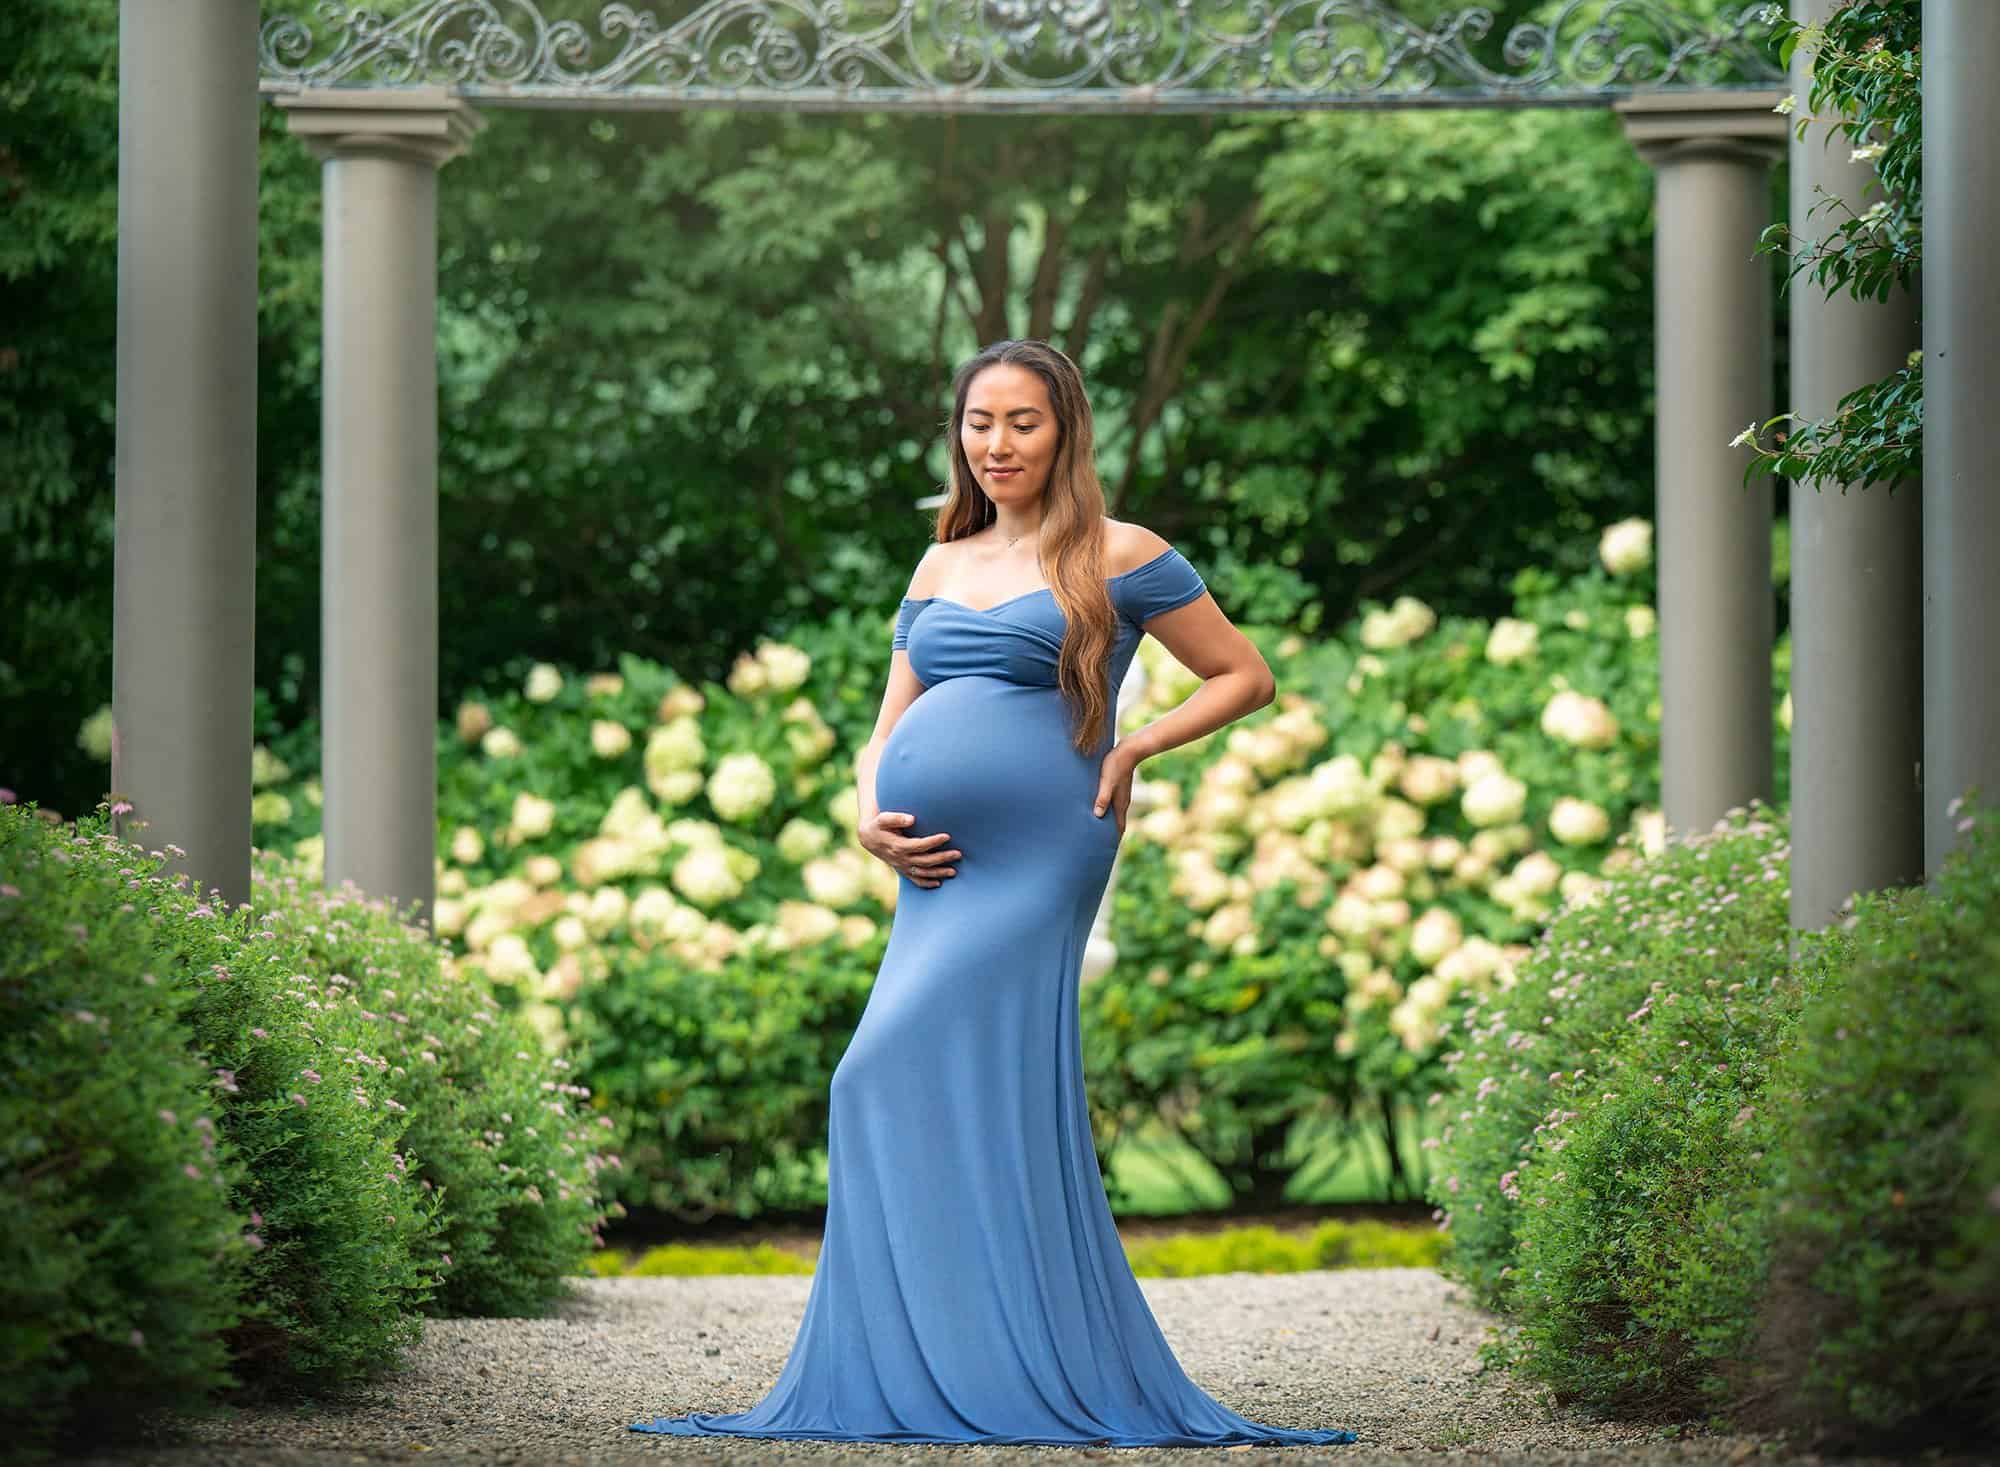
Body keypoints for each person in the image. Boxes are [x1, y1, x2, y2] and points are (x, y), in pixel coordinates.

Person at [631, 339, 1359, 1447]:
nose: (998, 443)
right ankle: (944, 1353)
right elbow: (885, 727)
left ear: (1064, 431)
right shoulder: (940, 561)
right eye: (980, 422)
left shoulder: (1121, 554)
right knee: (900, 1085)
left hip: (1044, 848)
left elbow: (1243, 675)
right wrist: (866, 812)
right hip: (932, 867)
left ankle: (1001, 1356)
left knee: (883, 1072)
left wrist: (1134, 745)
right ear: (958, 434)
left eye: (1023, 421)